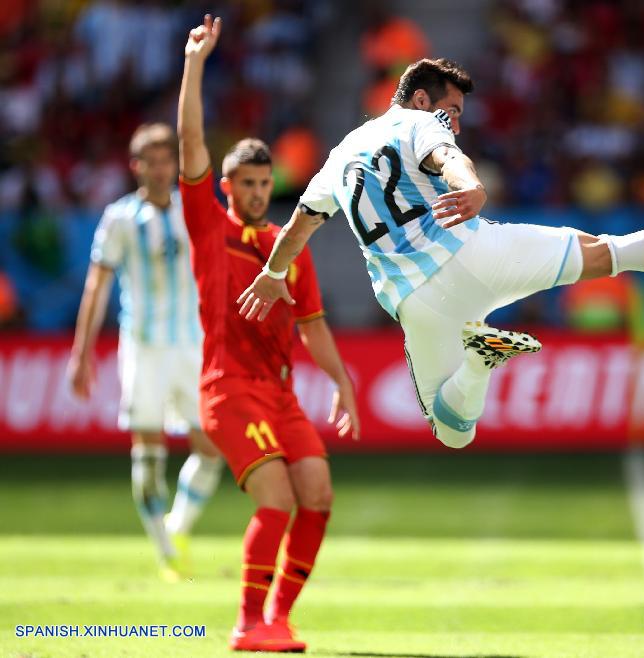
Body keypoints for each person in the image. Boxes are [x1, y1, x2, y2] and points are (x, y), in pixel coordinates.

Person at [239, 57, 644, 454]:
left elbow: (297, 225)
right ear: (418, 99)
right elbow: (446, 158)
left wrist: (272, 273)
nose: (455, 121)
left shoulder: (336, 158)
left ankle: (481, 362)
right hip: (473, 250)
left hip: (416, 300)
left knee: (451, 429)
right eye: (452, 109)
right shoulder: (418, 123)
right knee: (613, 254)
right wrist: (474, 183)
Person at [177, 15, 360, 653]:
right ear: (226, 187)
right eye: (246, 184)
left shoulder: (290, 246)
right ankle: (248, 623)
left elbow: (312, 323)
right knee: (276, 498)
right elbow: (192, 139)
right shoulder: (208, 226)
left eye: (263, 183)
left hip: (279, 392)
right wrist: (195, 63)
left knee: (318, 495)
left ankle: (279, 617)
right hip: (228, 389)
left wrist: (339, 378)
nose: (257, 192)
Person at [68, 122, 223, 582]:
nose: (159, 169)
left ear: (175, 164)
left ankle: (174, 531)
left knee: (212, 446)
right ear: (136, 166)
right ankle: (165, 549)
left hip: (193, 347)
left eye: (166, 160)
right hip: (143, 347)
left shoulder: (193, 210)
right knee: (148, 449)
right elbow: (96, 285)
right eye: (150, 161)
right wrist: (81, 353)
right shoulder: (119, 218)